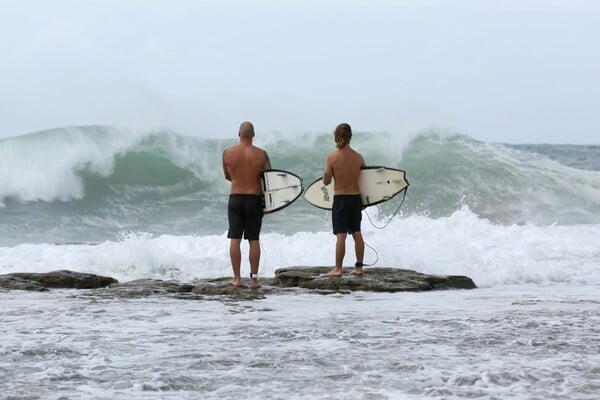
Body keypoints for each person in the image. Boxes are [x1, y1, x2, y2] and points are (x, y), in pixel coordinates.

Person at [222, 121, 271, 289]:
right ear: (253, 135)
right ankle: (254, 280)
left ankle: (236, 279)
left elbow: (228, 176)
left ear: (238, 134)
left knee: (234, 239)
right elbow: (269, 179)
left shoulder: (227, 153)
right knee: (253, 239)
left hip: (235, 198)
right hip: (253, 199)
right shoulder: (261, 154)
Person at [323, 123, 366, 277]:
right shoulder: (359, 157)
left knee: (341, 235)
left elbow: (327, 181)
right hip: (355, 199)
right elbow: (366, 180)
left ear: (337, 137)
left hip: (341, 199)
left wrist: (326, 175)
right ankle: (359, 268)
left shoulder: (332, 158)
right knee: (357, 233)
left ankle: (338, 269)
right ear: (350, 137)